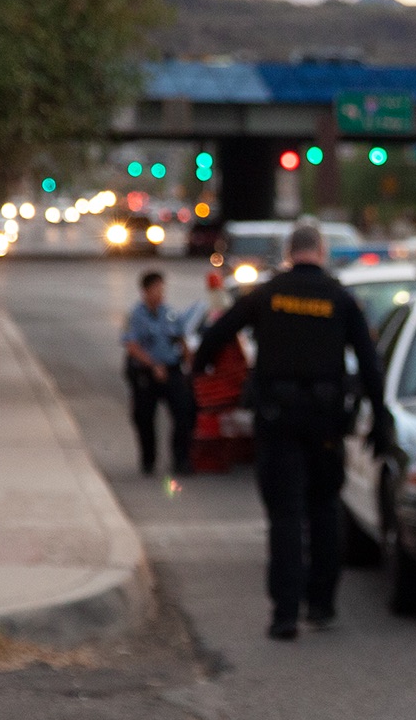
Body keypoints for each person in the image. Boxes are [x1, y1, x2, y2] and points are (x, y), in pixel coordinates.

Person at [193, 223, 392, 640]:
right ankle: (321, 606)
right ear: (321, 252)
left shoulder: (267, 294)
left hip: (278, 420)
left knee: (285, 516)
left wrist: (199, 372)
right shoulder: (340, 298)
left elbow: (216, 334)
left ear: (289, 253)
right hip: (324, 423)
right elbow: (370, 364)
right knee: (323, 511)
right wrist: (381, 417)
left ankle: (284, 614)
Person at [121, 271, 194, 477]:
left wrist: (189, 362)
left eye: (162, 289)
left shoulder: (169, 313)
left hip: (171, 370)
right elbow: (132, 345)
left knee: (183, 413)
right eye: (156, 289)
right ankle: (148, 460)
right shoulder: (136, 316)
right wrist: (153, 365)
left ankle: (181, 460)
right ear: (145, 291)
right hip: (146, 373)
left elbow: (180, 338)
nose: (161, 293)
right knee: (144, 418)